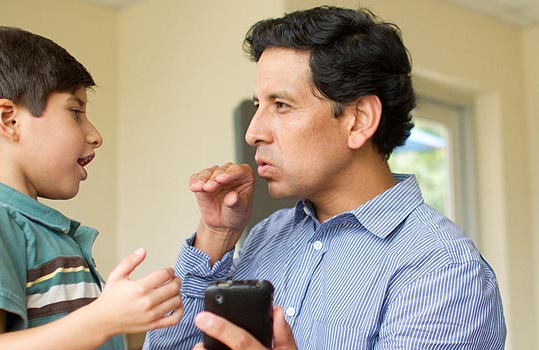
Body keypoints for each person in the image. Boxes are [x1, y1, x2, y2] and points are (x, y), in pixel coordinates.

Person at [145, 5, 506, 350]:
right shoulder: (267, 235)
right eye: (258, 106)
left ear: (359, 119)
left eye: (281, 105)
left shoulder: (441, 270)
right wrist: (217, 236)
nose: (253, 132)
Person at [0, 26, 183, 350]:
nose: (95, 135)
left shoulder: (42, 233)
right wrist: (103, 319)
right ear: (9, 120)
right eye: (75, 112)